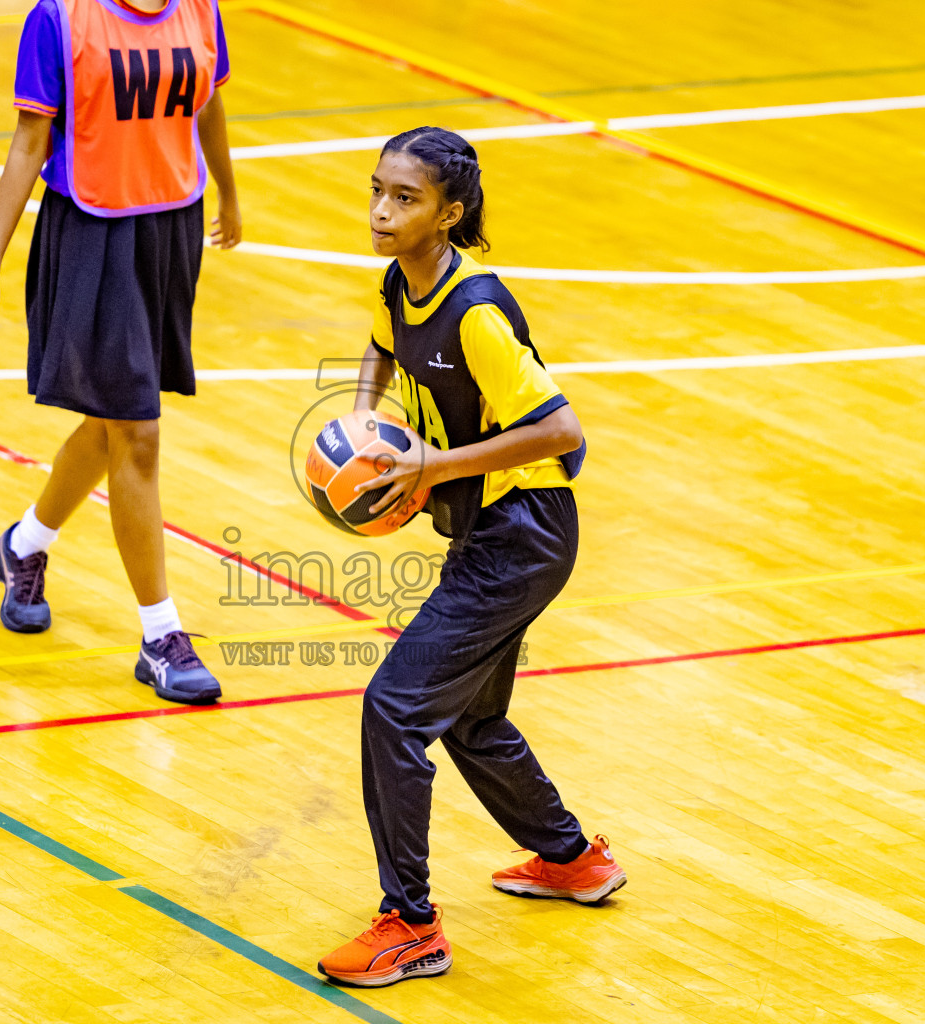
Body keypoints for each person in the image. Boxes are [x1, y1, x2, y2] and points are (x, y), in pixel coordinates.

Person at [316, 128, 625, 988]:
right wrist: (365, 428)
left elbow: (562, 432)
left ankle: (410, 926)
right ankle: (570, 858)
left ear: (449, 215)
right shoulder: (397, 282)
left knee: (397, 707)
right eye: (377, 190)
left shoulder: (476, 310)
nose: (382, 211)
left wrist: (431, 467)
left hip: (524, 532)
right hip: (490, 535)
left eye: (405, 199)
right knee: (471, 719)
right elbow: (383, 342)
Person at [0, 0, 241, 705]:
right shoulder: (58, 18)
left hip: (169, 229)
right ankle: (161, 637)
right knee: (136, 431)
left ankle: (24, 545)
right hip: (91, 234)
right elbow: (29, 141)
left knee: (115, 420)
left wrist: (229, 195)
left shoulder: (200, 11)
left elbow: (207, 106)